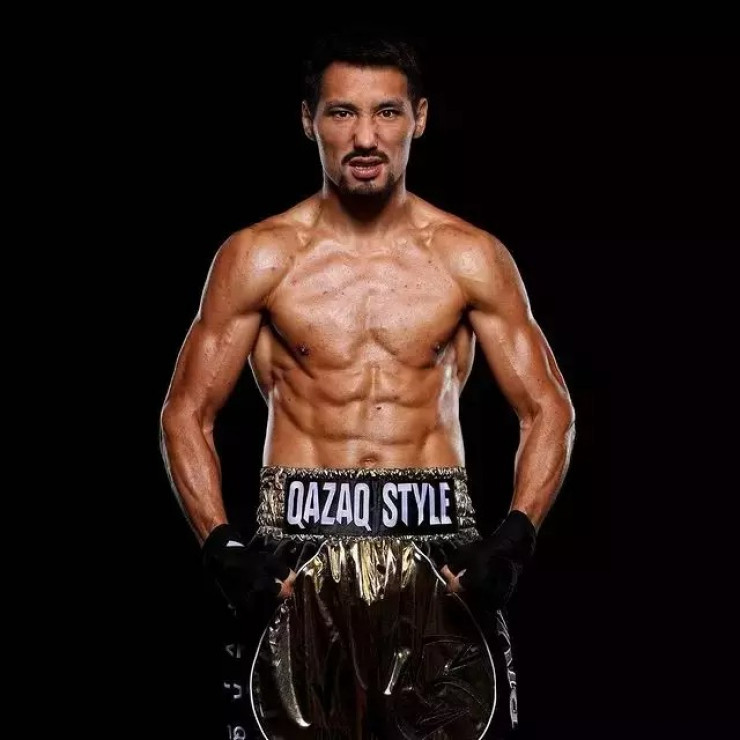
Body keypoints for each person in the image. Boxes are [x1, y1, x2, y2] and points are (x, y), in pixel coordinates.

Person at [160, 31, 576, 739]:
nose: (364, 136)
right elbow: (185, 413)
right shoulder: (259, 256)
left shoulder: (470, 257)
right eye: (341, 112)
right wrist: (222, 549)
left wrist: (513, 538)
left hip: (438, 556)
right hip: (297, 554)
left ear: (419, 118)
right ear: (308, 120)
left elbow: (548, 410)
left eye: (386, 112)